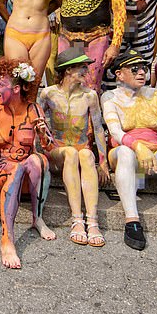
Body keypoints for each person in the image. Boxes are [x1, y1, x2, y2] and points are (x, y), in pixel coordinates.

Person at [101, 48, 157, 254]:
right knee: (125, 152)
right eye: (135, 68)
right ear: (119, 74)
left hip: (154, 153)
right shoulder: (109, 97)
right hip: (125, 154)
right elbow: (114, 130)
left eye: (144, 67)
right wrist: (137, 146)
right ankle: (131, 220)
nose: (142, 72)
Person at [0, 58, 56, 269]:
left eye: (0, 84)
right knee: (18, 166)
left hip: (24, 179)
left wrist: (42, 132)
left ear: (17, 88)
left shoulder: (33, 109)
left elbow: (49, 146)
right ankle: (7, 239)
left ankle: (37, 218)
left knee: (39, 160)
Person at [40, 47, 109, 247]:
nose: (86, 71)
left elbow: (97, 129)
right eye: (82, 67)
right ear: (68, 70)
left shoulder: (90, 96)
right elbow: (37, 122)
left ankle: (92, 222)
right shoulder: (49, 94)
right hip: (57, 151)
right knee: (71, 153)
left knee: (87, 155)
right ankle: (77, 218)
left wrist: (103, 162)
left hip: (80, 150)